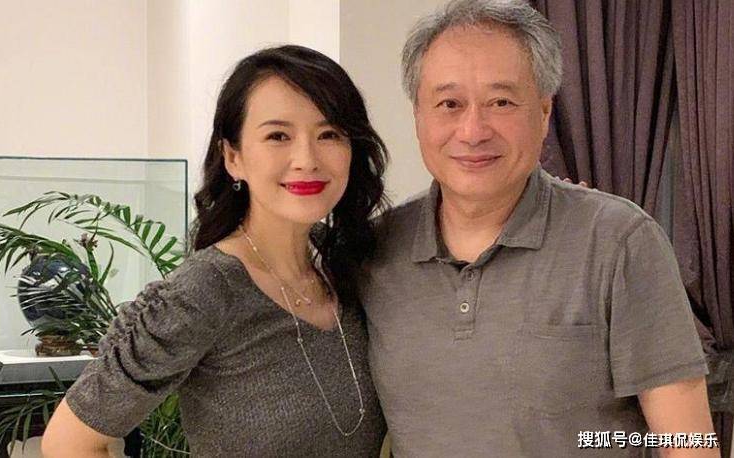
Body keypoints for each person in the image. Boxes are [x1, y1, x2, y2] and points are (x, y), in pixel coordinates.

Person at [361, 0, 717, 456]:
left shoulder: (620, 241)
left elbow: (686, 442)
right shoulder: (374, 251)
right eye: (449, 104)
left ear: (544, 113)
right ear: (418, 116)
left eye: (501, 102)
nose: (473, 130)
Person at [42, 45, 388, 457]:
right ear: (233, 157)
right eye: (278, 136)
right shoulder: (206, 289)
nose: (306, 159)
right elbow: (68, 442)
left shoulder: (346, 267)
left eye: (329, 134)